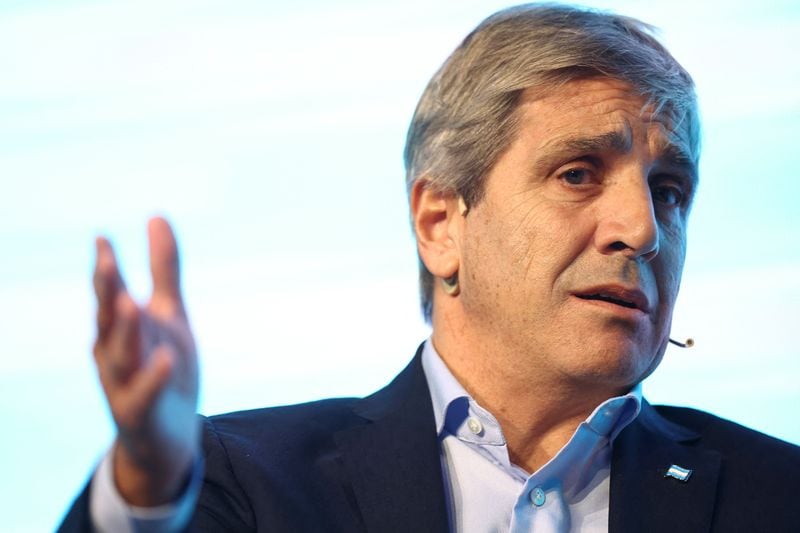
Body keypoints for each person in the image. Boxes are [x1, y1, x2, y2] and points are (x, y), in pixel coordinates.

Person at [60, 3, 800, 532]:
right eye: (577, 174)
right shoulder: (249, 483)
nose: (642, 230)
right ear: (440, 224)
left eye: (668, 191)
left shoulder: (779, 495)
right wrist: (147, 485)